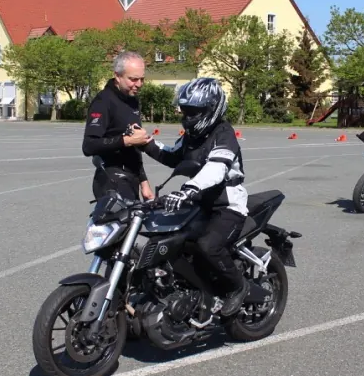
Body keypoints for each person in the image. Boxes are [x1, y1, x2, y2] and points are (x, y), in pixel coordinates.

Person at [143, 77, 250, 319]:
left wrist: (189, 188)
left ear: (211, 109)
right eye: (185, 110)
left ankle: (237, 287)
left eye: (193, 111)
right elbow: (173, 155)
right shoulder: (192, 136)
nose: (187, 116)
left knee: (208, 246)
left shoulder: (224, 134)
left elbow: (216, 168)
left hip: (227, 205)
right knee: (172, 241)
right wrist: (145, 143)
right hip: (199, 202)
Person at [81, 51, 155, 202]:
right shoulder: (103, 102)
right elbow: (89, 145)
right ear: (117, 76)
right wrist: (127, 140)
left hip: (131, 177)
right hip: (110, 179)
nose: (139, 84)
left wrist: (144, 183)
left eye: (142, 79)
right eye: (133, 79)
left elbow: (134, 148)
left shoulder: (132, 100)